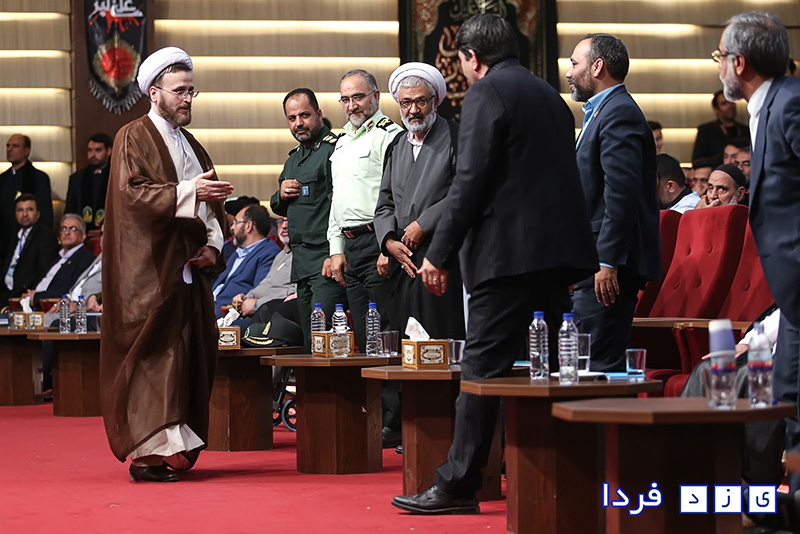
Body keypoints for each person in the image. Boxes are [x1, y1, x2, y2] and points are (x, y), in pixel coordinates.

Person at [391, 14, 597, 514]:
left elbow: (470, 181)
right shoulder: (551, 96)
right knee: (549, 370)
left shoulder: (487, 92)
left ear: (471, 57)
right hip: (556, 256)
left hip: (506, 258)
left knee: (481, 369)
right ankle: (561, 478)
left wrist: (438, 254)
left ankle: (458, 484)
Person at [100, 47, 234, 483]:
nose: (187, 99)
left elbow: (212, 207)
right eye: (179, 91)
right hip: (149, 271)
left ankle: (174, 446)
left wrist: (212, 245)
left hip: (188, 271)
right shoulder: (132, 136)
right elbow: (131, 196)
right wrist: (188, 191)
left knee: (188, 354)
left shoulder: (192, 144)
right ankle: (149, 454)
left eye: (191, 91)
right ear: (154, 93)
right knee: (155, 357)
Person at [716, 11, 800, 497]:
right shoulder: (766, 107)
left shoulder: (790, 104)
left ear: (739, 62)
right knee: (789, 399)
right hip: (790, 295)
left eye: (720, 56)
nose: (718, 67)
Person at [567, 33, 661, 372]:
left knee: (599, 371)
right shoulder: (601, 112)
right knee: (585, 368)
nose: (569, 73)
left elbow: (621, 194)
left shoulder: (619, 112)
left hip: (606, 268)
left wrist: (607, 260)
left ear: (597, 66)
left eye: (574, 63)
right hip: (591, 263)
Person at [375, 62, 465, 341]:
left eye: (420, 102)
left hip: (440, 255)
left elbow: (465, 191)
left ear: (435, 101)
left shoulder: (456, 137)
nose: (413, 110)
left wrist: (423, 224)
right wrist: (388, 241)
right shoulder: (396, 145)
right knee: (405, 342)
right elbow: (384, 202)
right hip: (401, 258)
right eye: (406, 103)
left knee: (438, 341)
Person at [327, 69, 403, 351]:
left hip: (377, 242)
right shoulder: (342, 141)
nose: (351, 106)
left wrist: (387, 244)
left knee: (386, 336)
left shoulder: (390, 136)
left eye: (358, 97)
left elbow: (399, 197)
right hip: (350, 249)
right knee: (362, 337)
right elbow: (337, 199)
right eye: (345, 100)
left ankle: (391, 384)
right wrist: (336, 248)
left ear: (376, 96)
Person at [270, 88, 347, 351]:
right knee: (309, 345)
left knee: (326, 342)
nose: (298, 123)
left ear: (319, 114)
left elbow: (342, 207)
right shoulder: (293, 159)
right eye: (292, 118)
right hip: (301, 264)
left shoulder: (334, 151)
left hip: (326, 261)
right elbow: (279, 205)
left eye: (304, 115)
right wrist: (280, 194)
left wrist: (335, 252)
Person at [211, 204, 280, 316]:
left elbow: (259, 292)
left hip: (230, 314)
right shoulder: (238, 252)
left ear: (249, 226)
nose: (232, 228)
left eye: (236, 222)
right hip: (210, 308)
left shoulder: (269, 253)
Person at [21, 213, 95, 308]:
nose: (67, 232)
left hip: (52, 309)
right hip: (33, 305)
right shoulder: (57, 257)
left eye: (72, 229)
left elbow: (70, 290)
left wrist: (35, 297)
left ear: (83, 236)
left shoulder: (85, 259)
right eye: (63, 229)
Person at [231, 216, 296, 321]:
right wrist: (245, 298)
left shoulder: (303, 256)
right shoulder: (281, 255)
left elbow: (296, 293)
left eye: (288, 220)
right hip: (258, 312)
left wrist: (257, 304)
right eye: (280, 221)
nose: (284, 226)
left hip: (274, 314)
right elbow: (265, 285)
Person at [0, 134, 54, 260]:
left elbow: (46, 214)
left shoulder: (38, 178)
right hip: (4, 242)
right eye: (8, 146)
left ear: (26, 151)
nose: (9, 149)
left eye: (15, 146)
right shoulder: (2, 179)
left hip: (30, 243)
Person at [0, 194, 59, 307]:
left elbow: (44, 272)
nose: (25, 214)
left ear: (38, 213)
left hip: (23, 296)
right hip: (5, 292)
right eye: (20, 210)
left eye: (29, 210)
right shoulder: (14, 236)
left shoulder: (46, 236)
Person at [65, 133, 113, 234]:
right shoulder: (77, 178)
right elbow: (70, 210)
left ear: (109, 151)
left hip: (109, 233)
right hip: (82, 234)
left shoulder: (116, 177)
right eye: (90, 150)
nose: (93, 154)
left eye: (98, 150)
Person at [691, 89, 750, 162]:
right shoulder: (706, 130)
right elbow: (697, 160)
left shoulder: (746, 129)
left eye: (731, 102)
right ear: (716, 109)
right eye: (724, 103)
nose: (729, 106)